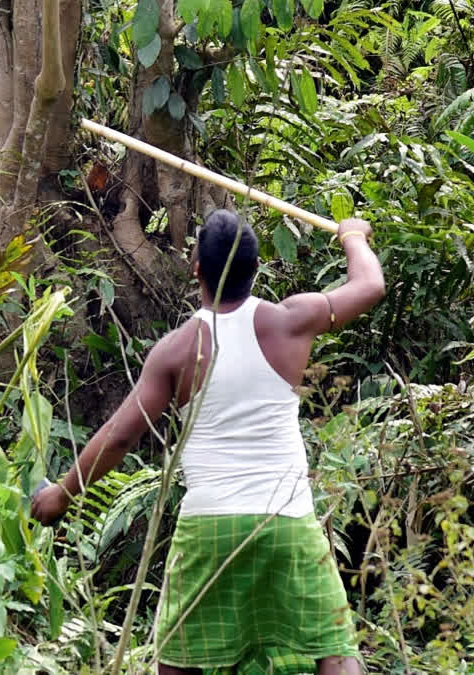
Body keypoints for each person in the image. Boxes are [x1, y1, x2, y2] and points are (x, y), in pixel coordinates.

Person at [31, 209, 385, 675]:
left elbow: (121, 436)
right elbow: (370, 286)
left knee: (178, 662)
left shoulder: (177, 350)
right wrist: (354, 236)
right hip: (286, 520)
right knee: (335, 651)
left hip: (210, 526)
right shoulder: (291, 320)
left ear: (196, 269)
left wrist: (61, 494)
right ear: (257, 270)